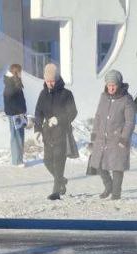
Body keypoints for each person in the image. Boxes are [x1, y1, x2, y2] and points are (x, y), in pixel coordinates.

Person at [86, 69, 137, 200]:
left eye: (113, 85)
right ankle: (109, 186)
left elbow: (130, 121)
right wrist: (94, 135)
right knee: (98, 163)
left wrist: (124, 138)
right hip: (102, 137)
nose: (111, 88)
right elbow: (98, 116)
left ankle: (116, 193)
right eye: (109, 85)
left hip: (117, 138)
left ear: (119, 84)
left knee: (117, 167)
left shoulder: (126, 99)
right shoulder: (103, 97)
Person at [33, 63, 78, 201]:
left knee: (59, 162)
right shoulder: (43, 94)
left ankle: (56, 192)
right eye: (47, 81)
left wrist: (59, 119)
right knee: (47, 161)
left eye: (52, 81)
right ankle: (61, 180)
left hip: (62, 133)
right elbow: (38, 113)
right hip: (48, 134)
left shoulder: (66, 94)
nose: (50, 83)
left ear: (57, 79)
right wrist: (37, 130)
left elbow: (73, 112)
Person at [3, 63, 28, 165]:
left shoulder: (14, 82)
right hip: (15, 114)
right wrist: (19, 111)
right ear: (16, 72)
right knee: (16, 137)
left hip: (18, 114)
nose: (21, 74)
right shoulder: (10, 83)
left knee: (19, 136)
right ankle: (17, 161)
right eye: (20, 72)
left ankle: (18, 160)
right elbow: (8, 100)